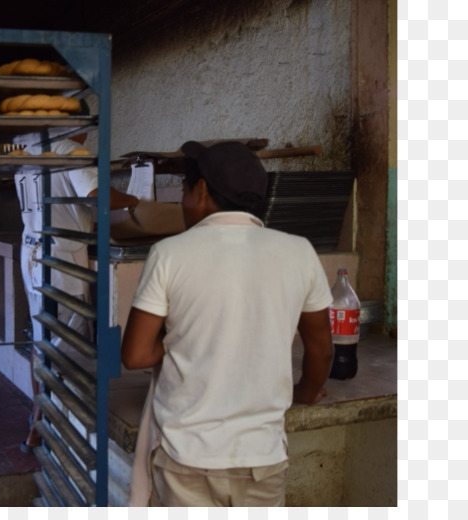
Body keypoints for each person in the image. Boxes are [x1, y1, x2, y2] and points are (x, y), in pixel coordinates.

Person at [120, 140, 334, 507]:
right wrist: (306, 392)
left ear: (200, 190)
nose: (183, 202)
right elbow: (321, 348)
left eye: (185, 190)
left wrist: (182, 342)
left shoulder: (170, 253)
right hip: (262, 459)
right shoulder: (299, 251)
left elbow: (136, 355)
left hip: (187, 458)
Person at [17, 133, 139, 451]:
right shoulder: (70, 149)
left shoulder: (28, 151)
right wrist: (133, 200)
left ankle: (37, 419)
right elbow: (96, 193)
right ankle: (45, 426)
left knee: (42, 339)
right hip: (61, 260)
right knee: (65, 345)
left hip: (32, 251)